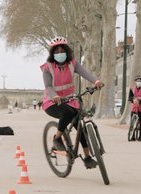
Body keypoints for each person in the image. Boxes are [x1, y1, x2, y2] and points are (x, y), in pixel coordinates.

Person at [40, 36, 104, 169]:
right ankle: (57, 138)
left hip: (70, 100)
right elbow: (48, 87)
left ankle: (87, 157)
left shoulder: (72, 64)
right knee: (68, 113)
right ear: (52, 54)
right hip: (52, 102)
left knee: (81, 128)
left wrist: (96, 81)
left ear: (67, 51)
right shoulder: (47, 68)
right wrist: (54, 96)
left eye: (62, 51)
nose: (59, 54)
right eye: (56, 52)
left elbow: (85, 73)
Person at [128, 75, 141, 141]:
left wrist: (139, 101)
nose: (139, 82)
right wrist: (133, 100)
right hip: (134, 106)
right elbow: (130, 97)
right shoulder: (132, 89)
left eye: (140, 81)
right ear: (135, 82)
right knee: (132, 121)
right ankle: (132, 135)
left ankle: (140, 136)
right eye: (137, 81)